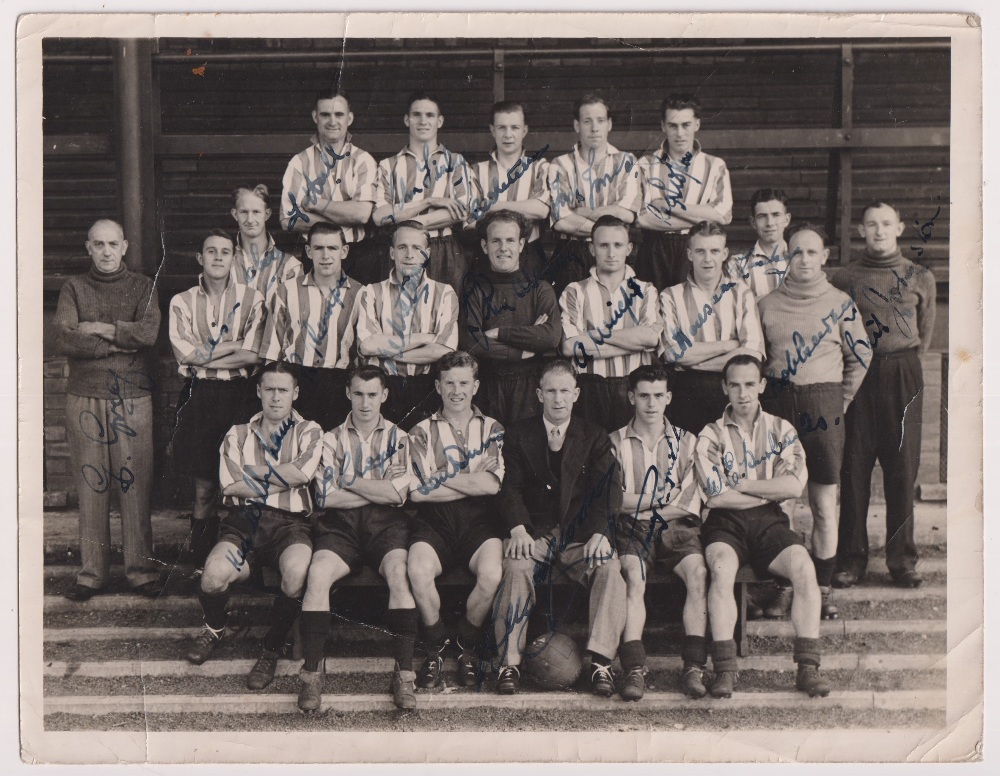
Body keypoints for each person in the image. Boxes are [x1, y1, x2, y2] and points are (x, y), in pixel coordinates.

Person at [694, 354, 830, 698]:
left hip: (770, 522)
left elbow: (793, 485)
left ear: (762, 386)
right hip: (725, 524)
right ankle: (725, 670)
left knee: (803, 567)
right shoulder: (710, 434)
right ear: (725, 387)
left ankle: (807, 668)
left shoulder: (781, 429)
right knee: (721, 569)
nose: (742, 393)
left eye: (750, 384)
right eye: (735, 385)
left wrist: (738, 484)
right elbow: (713, 497)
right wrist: (762, 490)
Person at [185, 362, 323, 695]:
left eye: (283, 390)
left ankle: (271, 648)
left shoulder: (310, 431)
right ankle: (216, 626)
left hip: (292, 526)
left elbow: (302, 475)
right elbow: (230, 486)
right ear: (259, 391)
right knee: (213, 575)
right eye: (270, 390)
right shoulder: (237, 433)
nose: (276, 398)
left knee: (296, 573)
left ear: (295, 393)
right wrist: (281, 476)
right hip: (244, 522)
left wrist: (254, 471)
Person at [492, 360, 626, 697]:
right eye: (550, 391)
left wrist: (600, 533)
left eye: (565, 391)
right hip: (535, 534)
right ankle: (509, 664)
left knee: (609, 567)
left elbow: (608, 489)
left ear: (576, 394)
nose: (558, 399)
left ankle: (600, 662)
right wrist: (519, 529)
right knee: (515, 566)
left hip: (579, 537)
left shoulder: (593, 435)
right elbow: (510, 488)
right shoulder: (519, 433)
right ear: (539, 394)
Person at [756, 223, 869, 620]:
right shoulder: (767, 304)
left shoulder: (840, 302)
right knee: (781, 502)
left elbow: (860, 356)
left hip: (824, 404)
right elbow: (758, 357)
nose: (803, 259)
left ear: (824, 257)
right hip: (779, 404)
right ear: (786, 257)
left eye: (811, 252)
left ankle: (822, 586)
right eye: (795, 252)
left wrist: (840, 399)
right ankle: (784, 586)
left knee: (823, 503)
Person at [53, 219, 163, 600]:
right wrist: (118, 341)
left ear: (125, 246)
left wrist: (96, 327)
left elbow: (147, 334)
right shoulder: (73, 288)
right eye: (98, 244)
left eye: (112, 244)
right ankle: (91, 574)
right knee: (91, 483)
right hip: (84, 396)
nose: (105, 251)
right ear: (88, 247)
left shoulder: (143, 286)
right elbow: (65, 336)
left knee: (134, 485)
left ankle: (141, 571)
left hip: (132, 398)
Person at [299, 365, 419, 711]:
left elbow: (399, 496)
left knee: (400, 573)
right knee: (318, 573)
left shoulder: (399, 438)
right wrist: (378, 488)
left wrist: (347, 479)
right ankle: (310, 674)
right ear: (347, 394)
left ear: (384, 395)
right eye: (358, 394)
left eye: (372, 395)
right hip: (342, 526)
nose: (365, 403)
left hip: (387, 525)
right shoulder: (330, 438)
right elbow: (326, 496)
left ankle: (404, 674)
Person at [830, 201, 937, 589]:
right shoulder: (844, 278)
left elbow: (924, 334)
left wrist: (900, 362)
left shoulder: (919, 275)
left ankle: (902, 560)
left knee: (902, 467)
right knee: (854, 466)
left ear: (899, 228)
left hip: (903, 372)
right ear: (860, 231)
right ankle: (852, 559)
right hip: (860, 373)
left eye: (886, 224)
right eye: (871, 224)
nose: (878, 231)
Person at [168, 229, 266, 576]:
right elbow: (184, 355)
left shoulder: (253, 299)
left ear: (235, 257)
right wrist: (231, 346)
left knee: (246, 480)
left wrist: (204, 354)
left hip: (240, 396)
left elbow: (253, 355)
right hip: (201, 396)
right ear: (200, 257)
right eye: (211, 251)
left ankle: (245, 560)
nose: (219, 257)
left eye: (226, 251)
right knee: (205, 485)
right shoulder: (181, 301)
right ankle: (200, 561)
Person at [406, 352, 506, 690]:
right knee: (418, 571)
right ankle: (436, 645)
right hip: (434, 522)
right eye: (449, 383)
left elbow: (492, 485)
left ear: (475, 386)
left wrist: (441, 476)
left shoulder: (492, 428)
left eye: (464, 383)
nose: (457, 390)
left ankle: (465, 645)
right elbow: (418, 493)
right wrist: (468, 482)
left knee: (492, 573)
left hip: (480, 523)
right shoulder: (421, 430)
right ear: (438, 386)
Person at [611, 365, 707, 701]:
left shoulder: (688, 441)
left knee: (697, 573)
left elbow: (689, 500)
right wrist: (652, 502)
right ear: (631, 397)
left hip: (676, 528)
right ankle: (634, 669)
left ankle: (694, 666)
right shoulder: (614, 442)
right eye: (644, 396)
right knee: (632, 577)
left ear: (668, 398)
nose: (651, 404)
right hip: (631, 530)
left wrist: (642, 507)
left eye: (658, 396)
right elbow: (612, 499)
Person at [658, 221, 765, 434]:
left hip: (733, 389)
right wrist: (730, 345)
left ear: (725, 253)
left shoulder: (741, 293)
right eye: (700, 251)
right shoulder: (671, 295)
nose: (708, 259)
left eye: (714, 251)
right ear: (689, 254)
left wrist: (692, 364)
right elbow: (673, 353)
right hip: (687, 393)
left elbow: (752, 355)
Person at [459, 210, 562, 425]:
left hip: (530, 386)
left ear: (522, 245)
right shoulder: (474, 290)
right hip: (487, 384)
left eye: (510, 240)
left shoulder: (540, 290)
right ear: (485, 246)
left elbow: (550, 337)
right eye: (496, 241)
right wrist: (525, 348)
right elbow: (472, 342)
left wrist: (499, 333)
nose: (503, 248)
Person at [560, 216, 661, 432]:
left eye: (618, 245)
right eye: (603, 245)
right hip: (589, 386)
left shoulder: (645, 291)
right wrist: (632, 340)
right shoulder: (574, 291)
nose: (611, 253)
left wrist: (594, 334)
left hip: (633, 387)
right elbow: (570, 346)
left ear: (629, 248)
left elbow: (651, 338)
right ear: (592, 249)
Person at [355, 220, 459, 430]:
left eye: (417, 248)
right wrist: (423, 338)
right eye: (402, 247)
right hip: (384, 387)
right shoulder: (371, 292)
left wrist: (387, 352)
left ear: (427, 254)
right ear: (392, 253)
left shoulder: (444, 292)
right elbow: (367, 346)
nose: (409, 255)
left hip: (427, 386)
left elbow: (444, 350)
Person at [260, 222, 362, 429]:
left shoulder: (360, 293)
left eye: (332, 248)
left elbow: (364, 353)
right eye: (319, 248)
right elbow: (272, 351)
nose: (325, 255)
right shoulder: (286, 291)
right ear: (308, 251)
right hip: (296, 380)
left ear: (344, 251)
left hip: (339, 382)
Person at [372, 92, 471, 294]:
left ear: (440, 121)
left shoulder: (456, 162)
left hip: (444, 249)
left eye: (430, 115)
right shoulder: (388, 166)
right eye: (417, 115)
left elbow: (462, 210)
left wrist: (404, 221)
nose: (423, 121)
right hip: (401, 248)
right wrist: (429, 202)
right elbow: (380, 216)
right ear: (407, 120)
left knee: (446, 314)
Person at [279, 89, 380, 285]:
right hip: (315, 255)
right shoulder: (299, 162)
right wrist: (345, 214)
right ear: (315, 117)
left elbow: (361, 214)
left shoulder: (363, 161)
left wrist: (314, 203)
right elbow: (288, 219)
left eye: (339, 114)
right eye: (325, 114)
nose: (332, 121)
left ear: (349, 118)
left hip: (357, 256)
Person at [546, 94, 643, 295]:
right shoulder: (560, 165)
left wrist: (582, 212)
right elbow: (561, 220)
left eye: (600, 120)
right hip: (571, 253)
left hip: (613, 253)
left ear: (609, 124)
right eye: (587, 121)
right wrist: (608, 222)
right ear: (576, 125)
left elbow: (627, 213)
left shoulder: (626, 161)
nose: (594, 128)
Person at [636, 94, 733, 291]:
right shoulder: (646, 164)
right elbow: (642, 218)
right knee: (654, 311)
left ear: (697, 124)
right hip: (655, 249)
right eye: (673, 126)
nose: (680, 133)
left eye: (686, 125)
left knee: (694, 312)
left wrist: (666, 206)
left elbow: (722, 215)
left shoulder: (715, 165)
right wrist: (702, 218)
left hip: (696, 247)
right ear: (663, 126)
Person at [467, 100, 551, 276]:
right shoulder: (475, 170)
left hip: (530, 253)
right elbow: (469, 220)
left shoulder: (539, 167)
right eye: (501, 128)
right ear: (492, 130)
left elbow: (541, 210)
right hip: (487, 255)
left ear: (524, 130)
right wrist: (523, 207)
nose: (508, 134)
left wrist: (492, 206)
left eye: (514, 127)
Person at [231, 184, 303, 306]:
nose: (250, 219)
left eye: (256, 212)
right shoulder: (224, 262)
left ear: (267, 214)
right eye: (244, 212)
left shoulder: (290, 266)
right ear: (235, 214)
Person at [726, 188, 792, 300]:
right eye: (762, 216)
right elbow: (739, 307)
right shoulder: (738, 264)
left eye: (776, 215)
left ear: (786, 219)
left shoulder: (799, 258)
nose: (770, 223)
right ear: (753, 222)